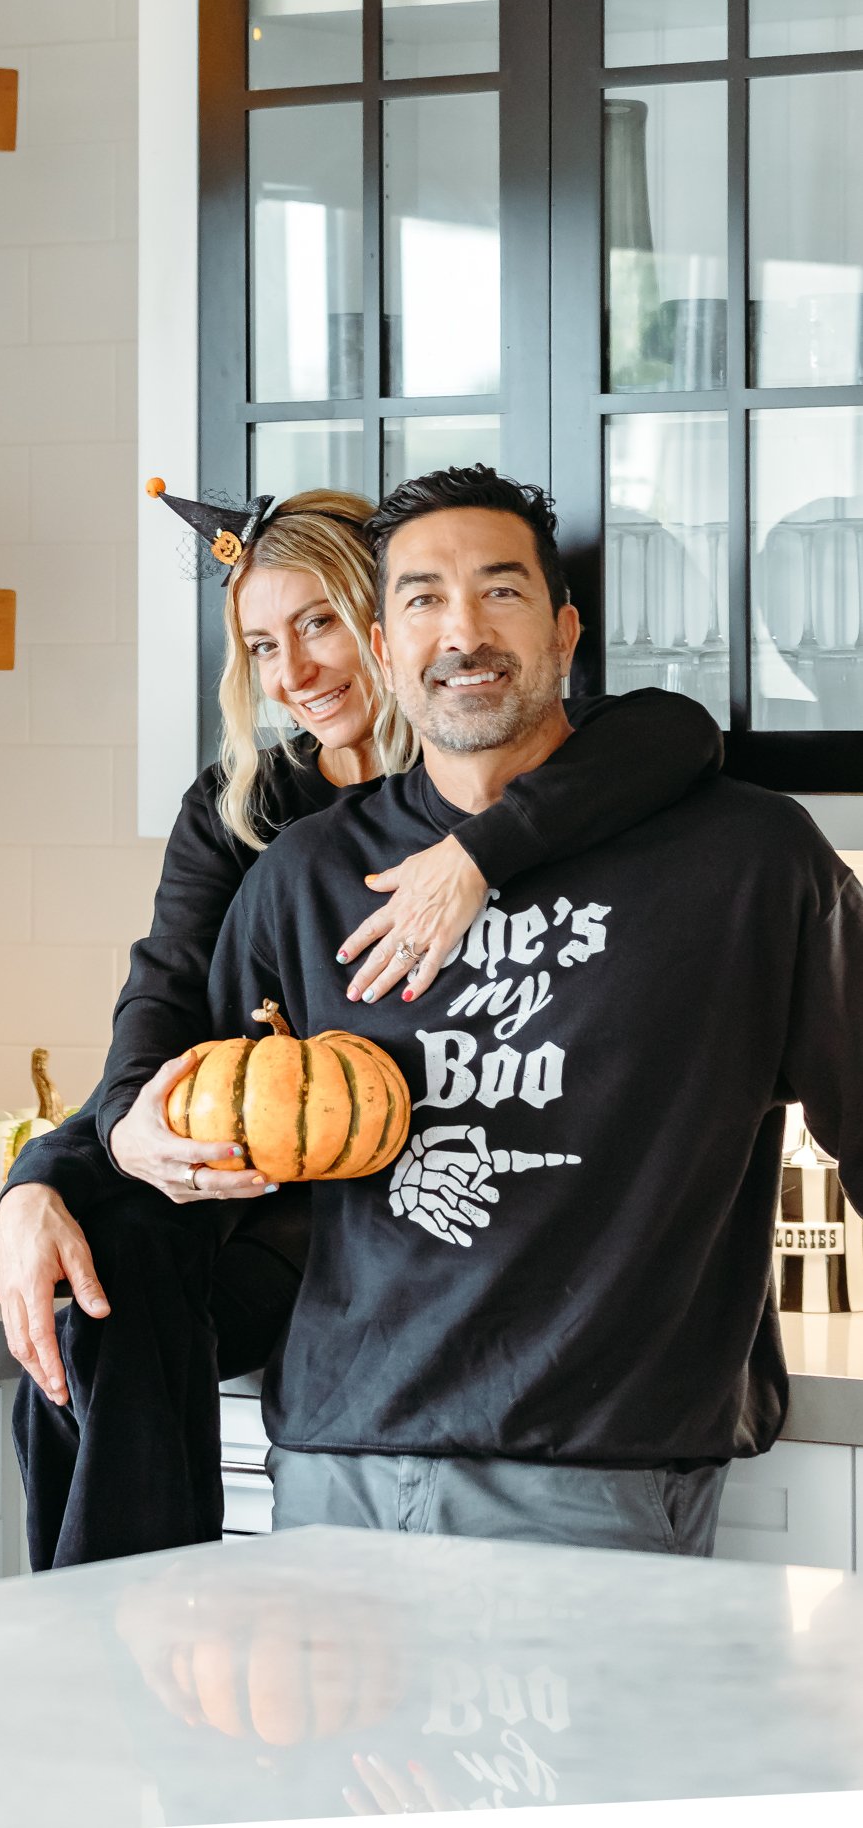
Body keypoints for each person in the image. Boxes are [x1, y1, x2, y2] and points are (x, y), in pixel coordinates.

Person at [0, 482, 724, 1568]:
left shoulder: (510, 751)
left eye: (317, 623)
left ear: (375, 630)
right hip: (267, 1198)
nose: (292, 672)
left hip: (367, 1246)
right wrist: (40, 1177)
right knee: (97, 1283)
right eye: (260, 645)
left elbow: (679, 731)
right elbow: (159, 1021)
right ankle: (125, 1609)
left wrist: (478, 854)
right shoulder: (244, 812)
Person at [205, 463, 863, 1555]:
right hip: (335, 1464)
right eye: (420, 598)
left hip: (598, 1470)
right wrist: (60, 1188)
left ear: (564, 631)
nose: (461, 632)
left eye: (499, 591)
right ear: (382, 645)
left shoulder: (748, 861)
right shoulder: (305, 875)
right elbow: (207, 1117)